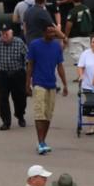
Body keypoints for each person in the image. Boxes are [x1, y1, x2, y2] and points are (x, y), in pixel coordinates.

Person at [27, 24, 70, 155]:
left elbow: (60, 66)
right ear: (44, 32)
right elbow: (30, 65)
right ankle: (40, 142)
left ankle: (43, 141)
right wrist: (27, 83)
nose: (53, 34)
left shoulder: (57, 46)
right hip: (39, 83)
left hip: (52, 84)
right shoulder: (35, 45)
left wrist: (65, 84)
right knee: (40, 113)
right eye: (50, 32)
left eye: (54, 32)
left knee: (48, 115)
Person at [0, 22, 30, 130]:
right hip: (3, 74)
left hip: (17, 73)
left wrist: (25, 71)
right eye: (2, 34)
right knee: (3, 98)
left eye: (7, 34)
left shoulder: (19, 42)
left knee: (20, 98)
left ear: (11, 33)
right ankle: (6, 121)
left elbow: (26, 58)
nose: (4, 36)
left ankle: (20, 115)